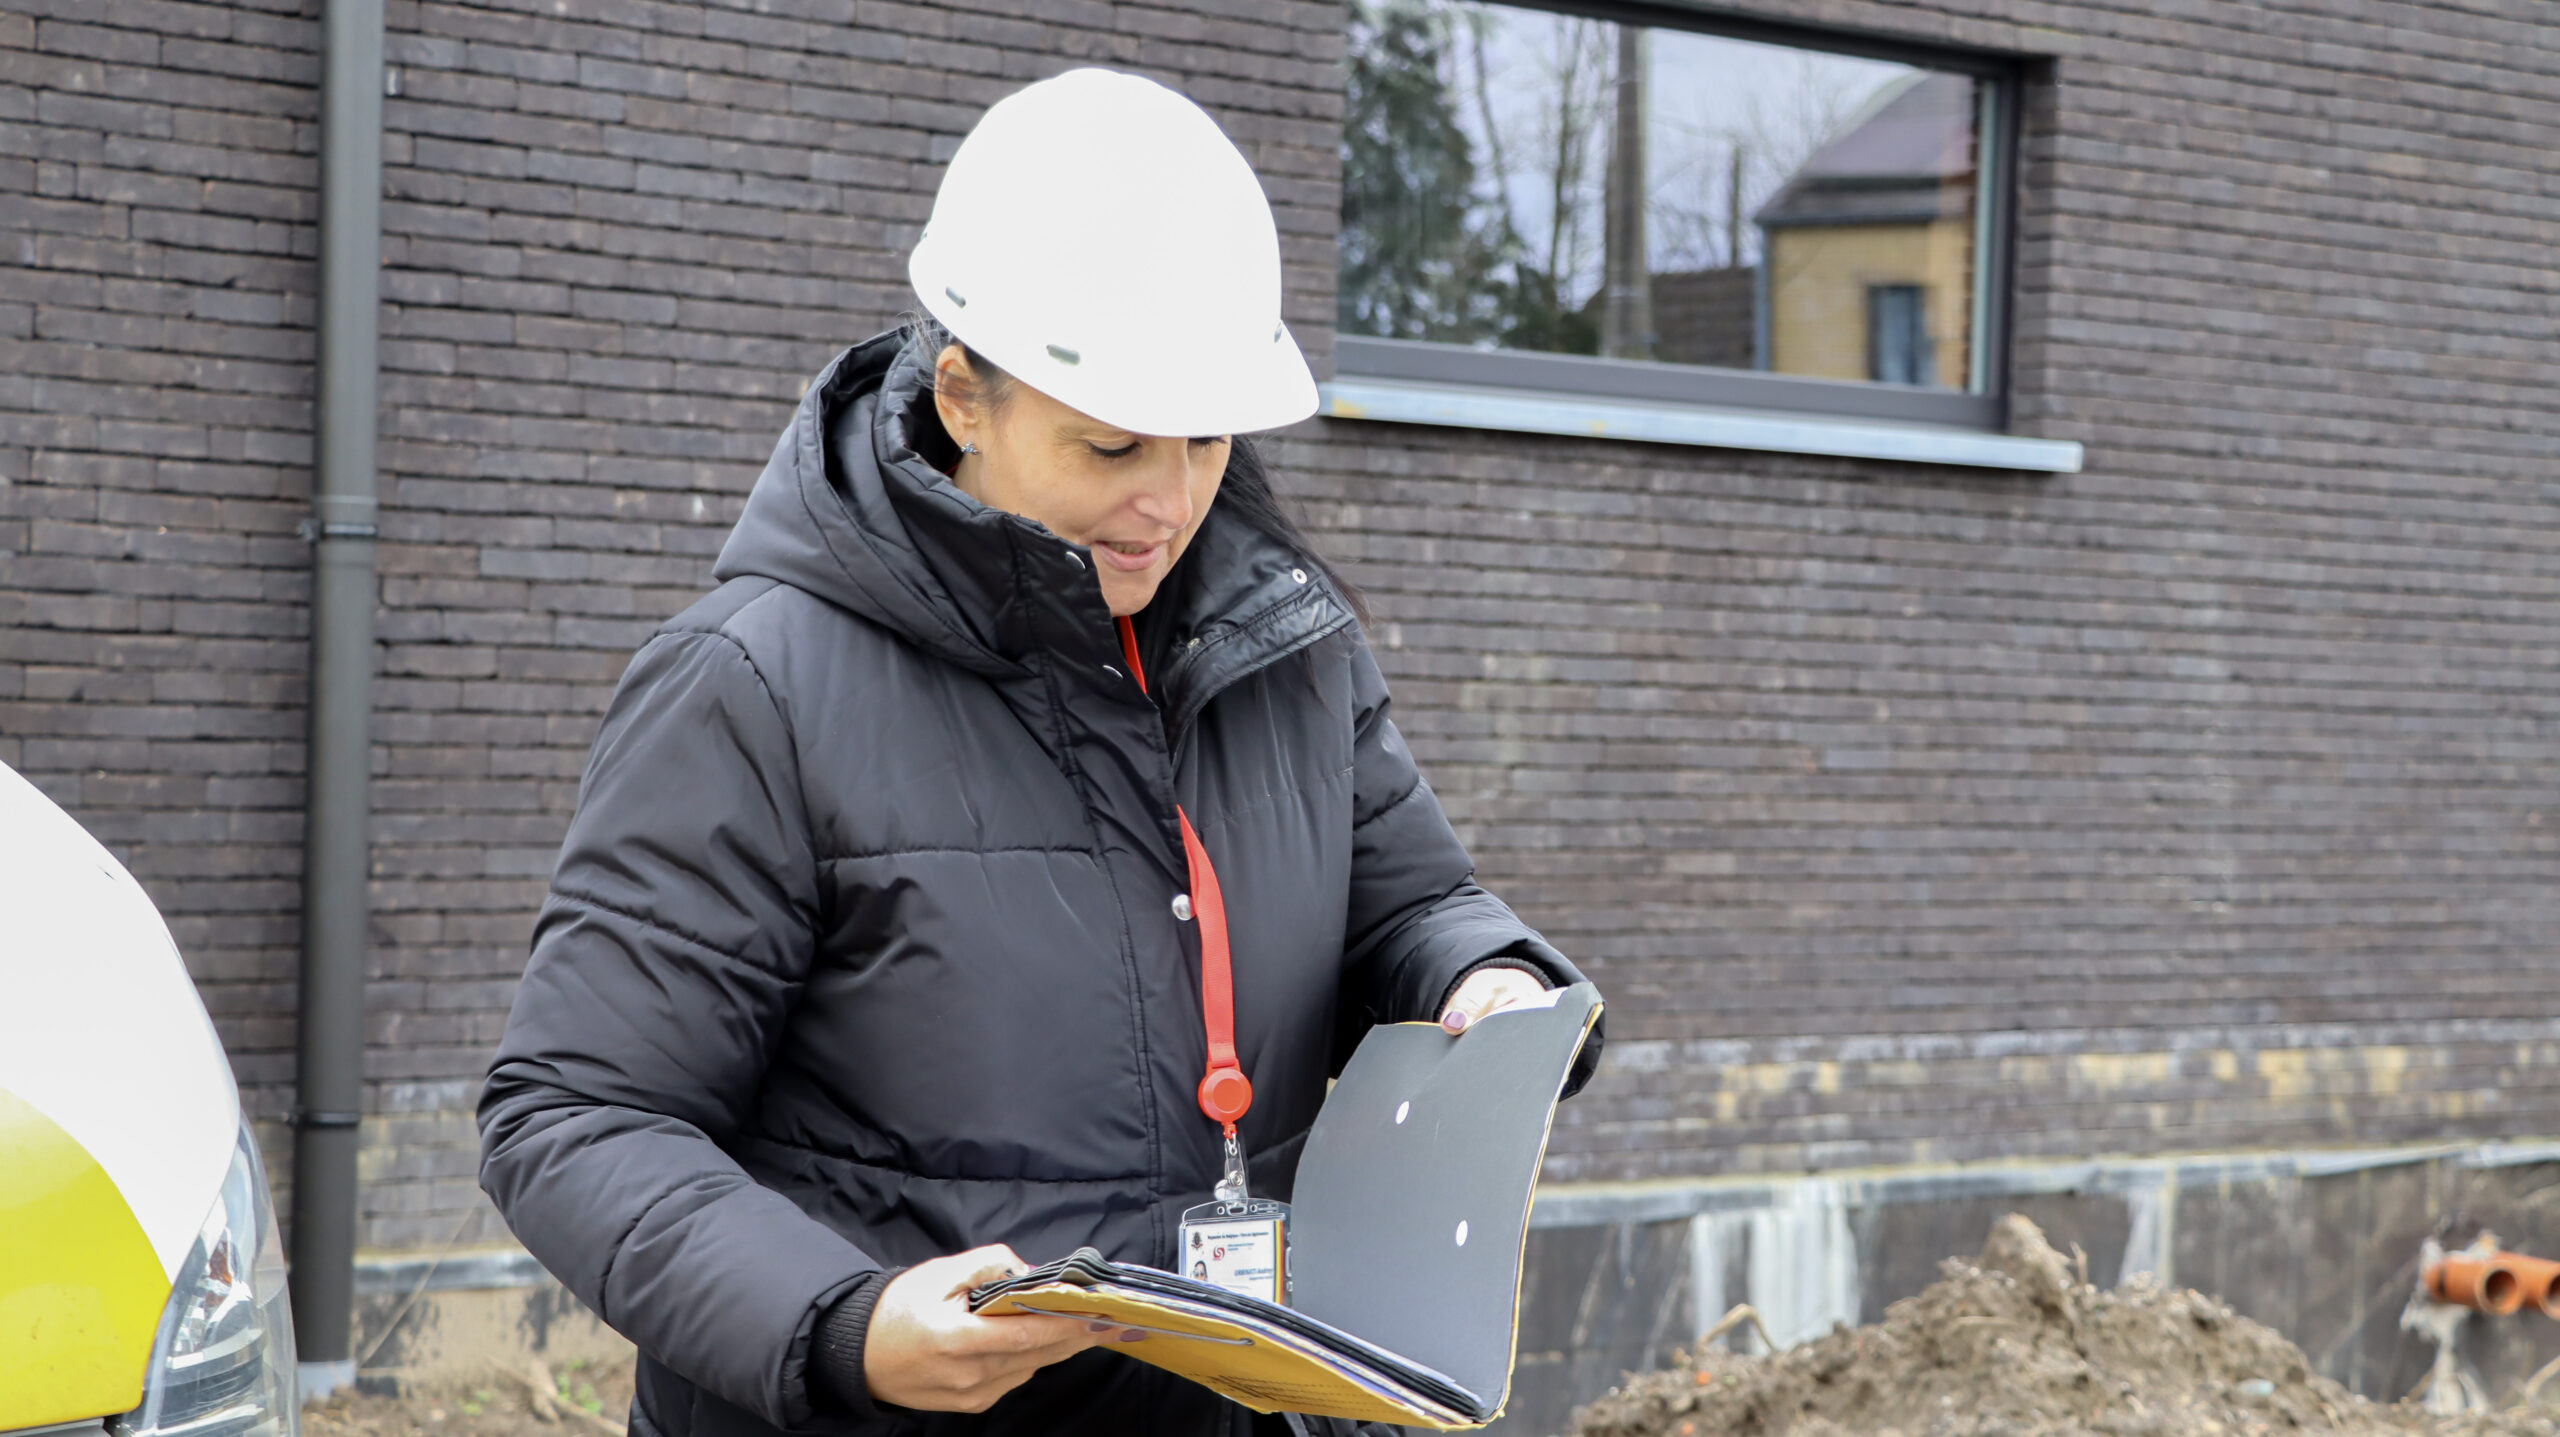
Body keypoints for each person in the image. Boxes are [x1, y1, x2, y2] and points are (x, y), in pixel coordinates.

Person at [477, 67, 1602, 1437]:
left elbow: (1410, 903)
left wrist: (1484, 980)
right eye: (1112, 443)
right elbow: (576, 1113)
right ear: (965, 396)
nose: (1171, 499)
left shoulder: (1290, 651)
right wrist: (844, 1322)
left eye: (1203, 437)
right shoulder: (753, 687)